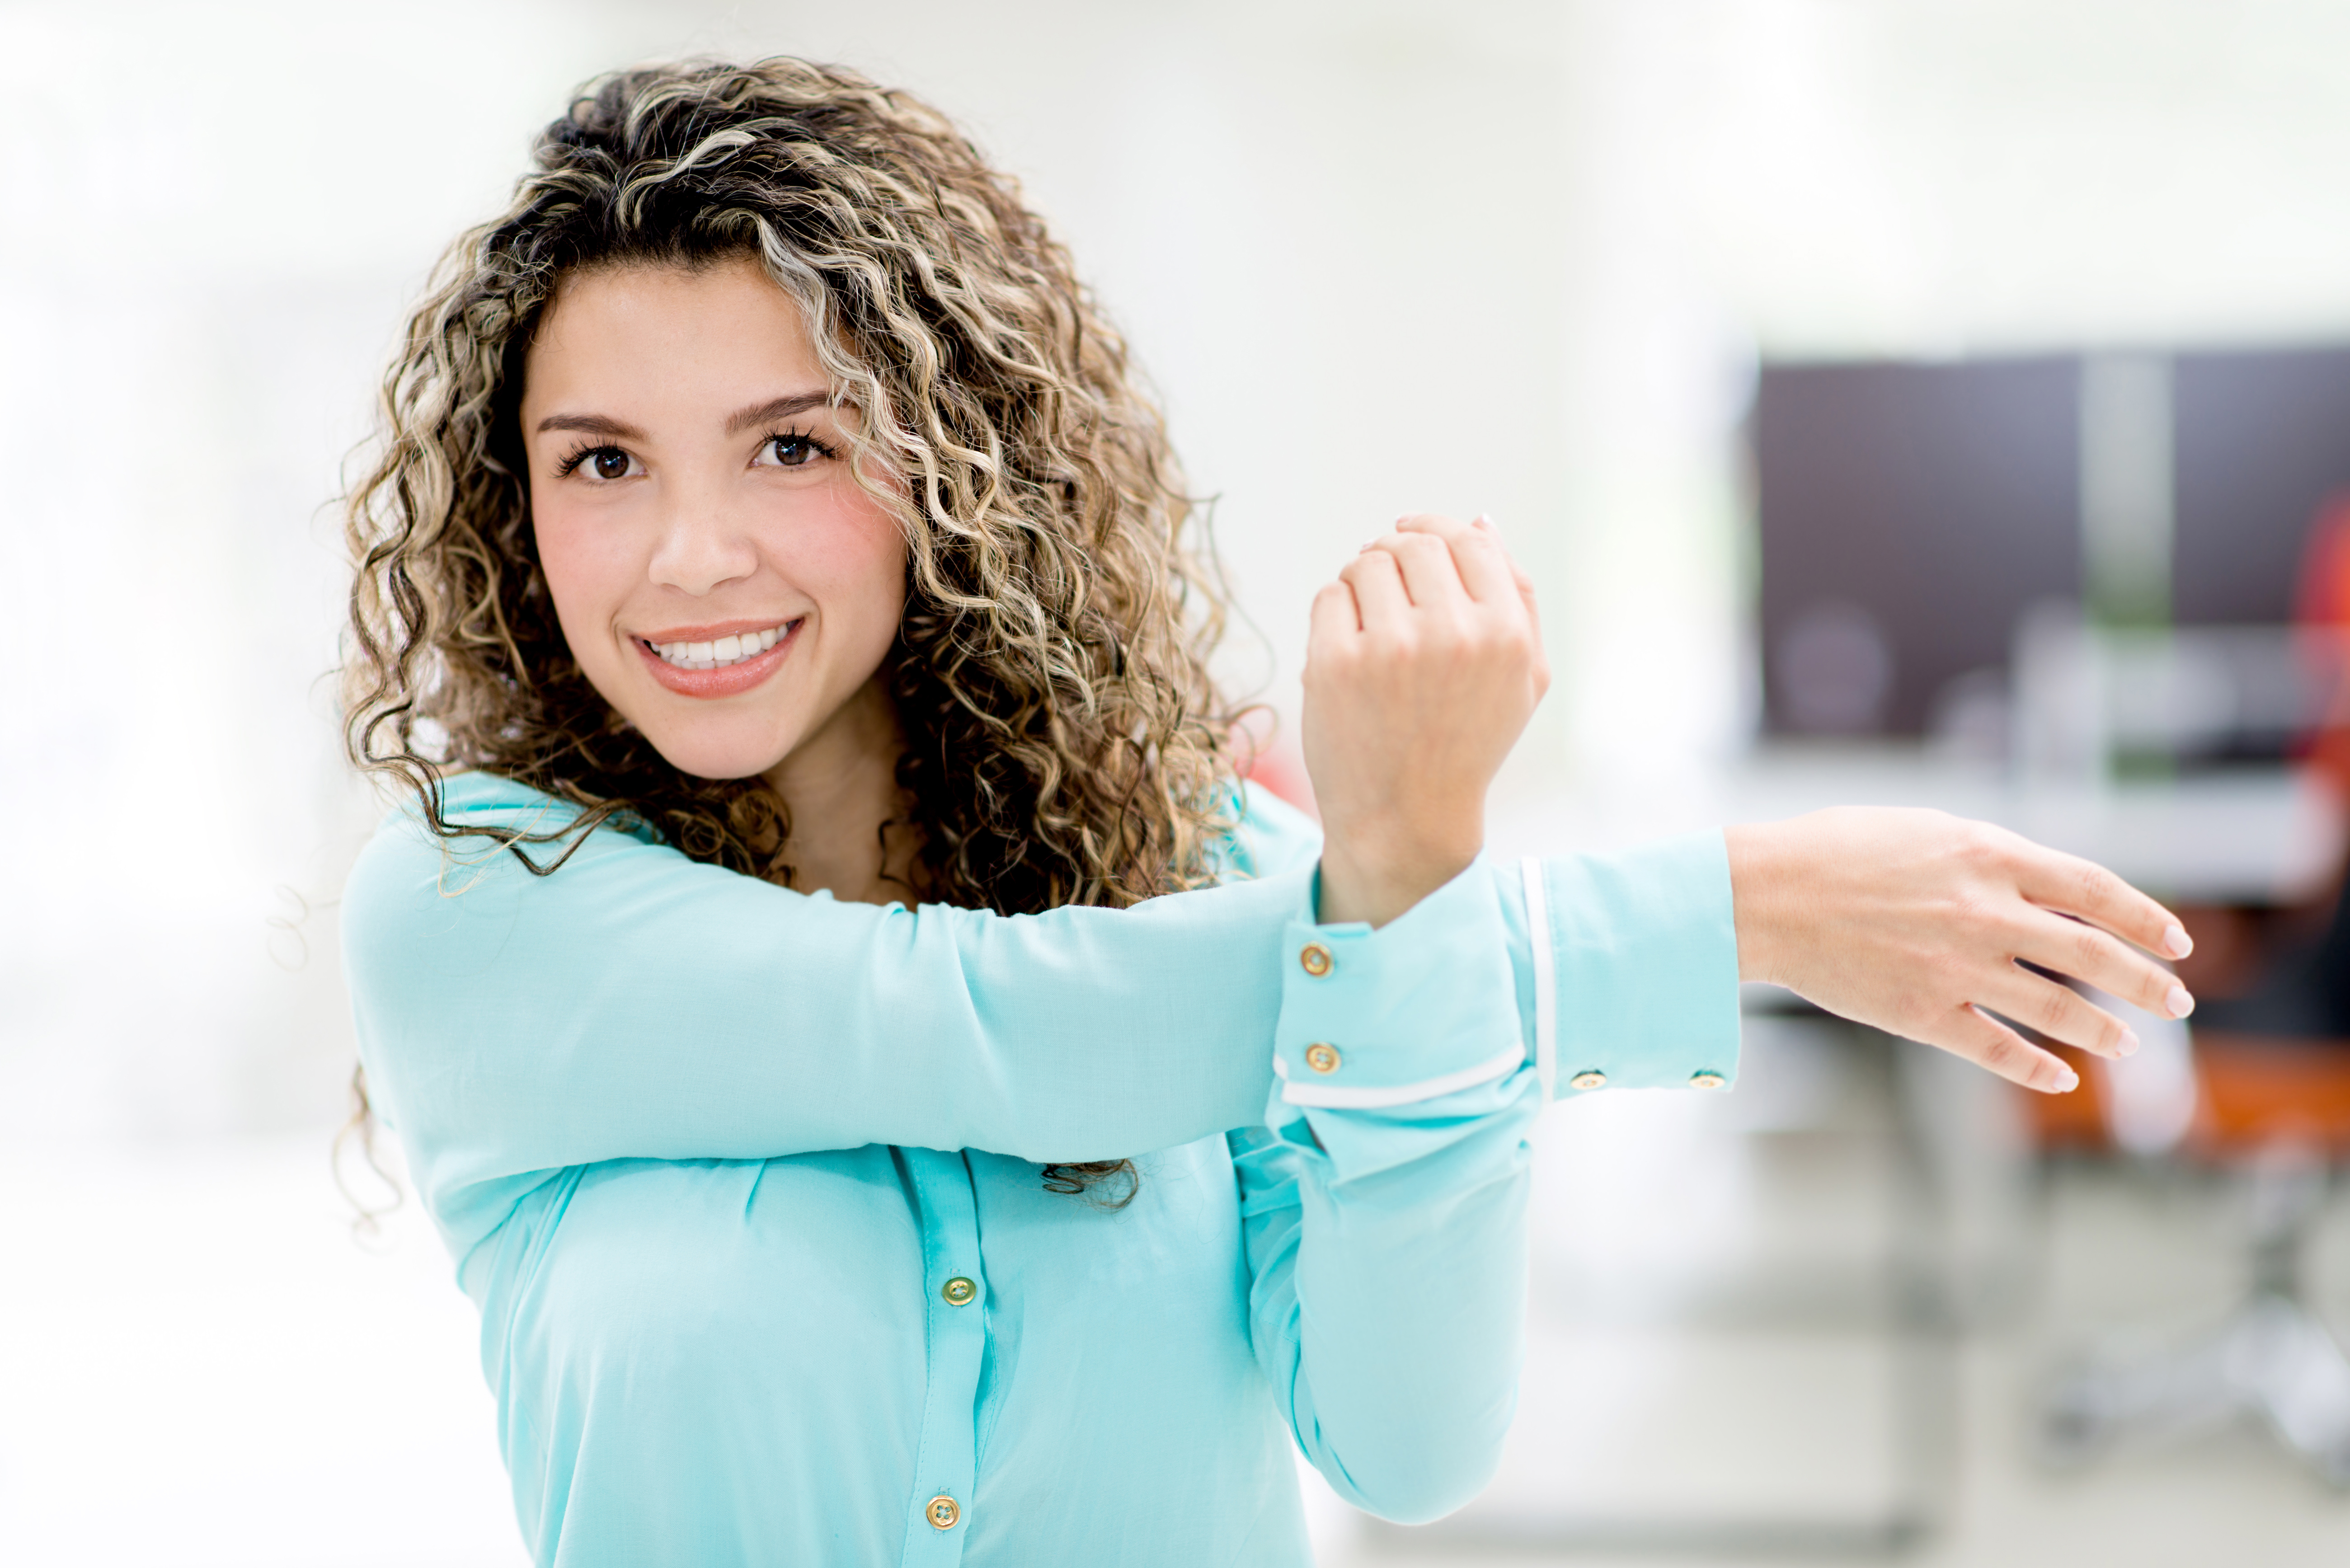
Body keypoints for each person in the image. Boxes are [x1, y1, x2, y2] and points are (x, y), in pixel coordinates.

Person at [338, 58, 2197, 1568]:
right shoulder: (483, 906)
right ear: (517, 505)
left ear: (958, 461)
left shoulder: (1227, 882)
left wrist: (1406, 884)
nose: (687, 555)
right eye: (602, 462)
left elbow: (1403, 1444)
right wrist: (1724, 912)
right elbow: (983, 1030)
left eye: (794, 442)